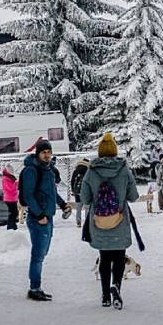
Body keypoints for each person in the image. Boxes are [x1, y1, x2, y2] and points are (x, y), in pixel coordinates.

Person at [81, 132, 139, 309]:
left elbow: (85, 198)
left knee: (104, 257)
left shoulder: (91, 171)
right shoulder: (124, 170)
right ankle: (117, 287)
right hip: (120, 220)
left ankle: (105, 295)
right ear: (115, 151)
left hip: (99, 221)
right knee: (119, 256)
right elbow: (133, 196)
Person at [20, 139, 72, 302]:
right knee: (38, 255)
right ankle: (34, 288)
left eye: (49, 152)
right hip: (38, 219)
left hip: (48, 217)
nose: (47, 155)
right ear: (38, 153)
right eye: (44, 152)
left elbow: (51, 193)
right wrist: (38, 214)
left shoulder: (48, 170)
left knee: (42, 253)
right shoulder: (32, 170)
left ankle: (36, 287)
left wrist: (62, 204)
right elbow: (28, 195)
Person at [70, 158, 90, 228]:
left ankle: (78, 221)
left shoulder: (76, 170)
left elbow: (72, 181)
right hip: (86, 191)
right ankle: (87, 222)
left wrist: (73, 190)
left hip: (77, 191)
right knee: (87, 207)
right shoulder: (88, 170)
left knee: (78, 207)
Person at [1, 164, 19, 230]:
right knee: (13, 213)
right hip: (9, 198)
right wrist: (16, 183)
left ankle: (12, 225)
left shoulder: (9, 177)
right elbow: (10, 188)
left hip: (12, 198)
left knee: (14, 212)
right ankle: (11, 226)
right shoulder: (5, 178)